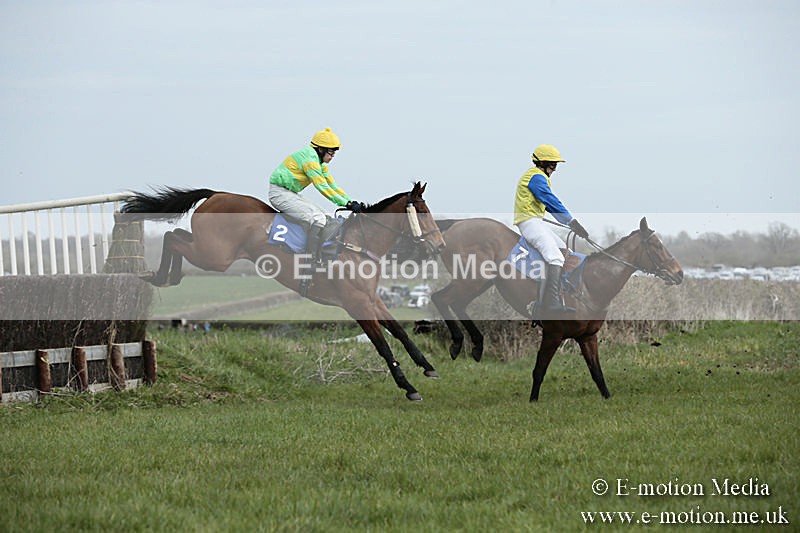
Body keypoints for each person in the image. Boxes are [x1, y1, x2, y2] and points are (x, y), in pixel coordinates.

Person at [268, 127, 365, 266]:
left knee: (324, 216)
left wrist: (350, 201)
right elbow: (322, 187)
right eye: (331, 152)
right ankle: (310, 259)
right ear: (320, 149)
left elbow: (333, 185)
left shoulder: (320, 163)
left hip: (290, 193)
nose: (332, 156)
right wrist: (346, 205)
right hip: (279, 194)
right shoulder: (310, 160)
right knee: (317, 218)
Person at [513, 143, 590, 316]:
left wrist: (571, 223)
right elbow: (551, 201)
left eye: (556, 165)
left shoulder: (538, 176)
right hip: (529, 223)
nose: (555, 169)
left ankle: (562, 292)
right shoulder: (537, 177)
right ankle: (551, 303)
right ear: (542, 163)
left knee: (563, 250)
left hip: (536, 222)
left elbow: (547, 204)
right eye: (553, 164)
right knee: (555, 257)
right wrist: (571, 221)